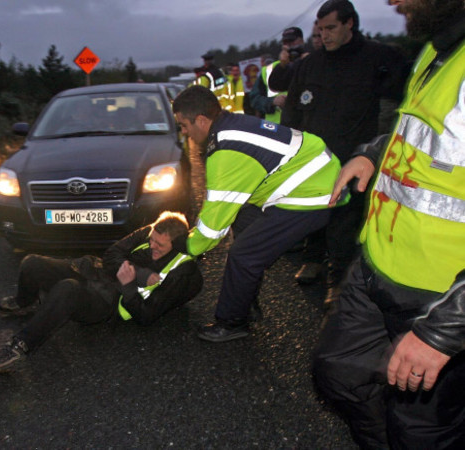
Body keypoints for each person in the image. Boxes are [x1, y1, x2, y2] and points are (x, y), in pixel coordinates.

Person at [313, 0, 465, 447]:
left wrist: (443, 333)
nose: (391, 1)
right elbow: (420, 134)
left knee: (422, 428)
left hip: (439, 298)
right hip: (378, 266)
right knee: (338, 372)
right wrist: (373, 151)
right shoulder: (441, 48)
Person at [171, 86, 347, 342]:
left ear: (201, 120)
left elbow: (212, 226)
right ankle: (245, 299)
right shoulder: (229, 124)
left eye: (184, 125)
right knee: (243, 220)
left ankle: (231, 322)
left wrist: (186, 246)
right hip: (316, 178)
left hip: (312, 195)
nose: (183, 132)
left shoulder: (226, 150)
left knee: (243, 254)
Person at [280, 0, 409, 307]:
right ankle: (312, 258)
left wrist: (379, 148)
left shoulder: (380, 58)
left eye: (331, 28)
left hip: (355, 157)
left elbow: (398, 106)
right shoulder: (310, 65)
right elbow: (294, 111)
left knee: (344, 221)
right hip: (314, 159)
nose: (325, 35)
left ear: (350, 23)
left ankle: (337, 282)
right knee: (313, 210)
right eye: (320, 29)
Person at [0, 211, 203, 377]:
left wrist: (129, 284)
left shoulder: (180, 271)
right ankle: (24, 301)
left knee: (68, 289)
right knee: (32, 262)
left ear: (177, 244)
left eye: (159, 245)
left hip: (107, 301)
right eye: (152, 240)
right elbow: (111, 254)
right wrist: (140, 274)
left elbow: (147, 316)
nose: (153, 246)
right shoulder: (149, 231)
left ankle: (16, 349)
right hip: (94, 271)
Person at [249, 27, 306, 123]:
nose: (288, 46)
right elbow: (254, 99)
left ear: (302, 42)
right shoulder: (269, 70)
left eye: (292, 41)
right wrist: (272, 102)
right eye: (285, 43)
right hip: (276, 129)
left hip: (303, 126)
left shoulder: (311, 64)